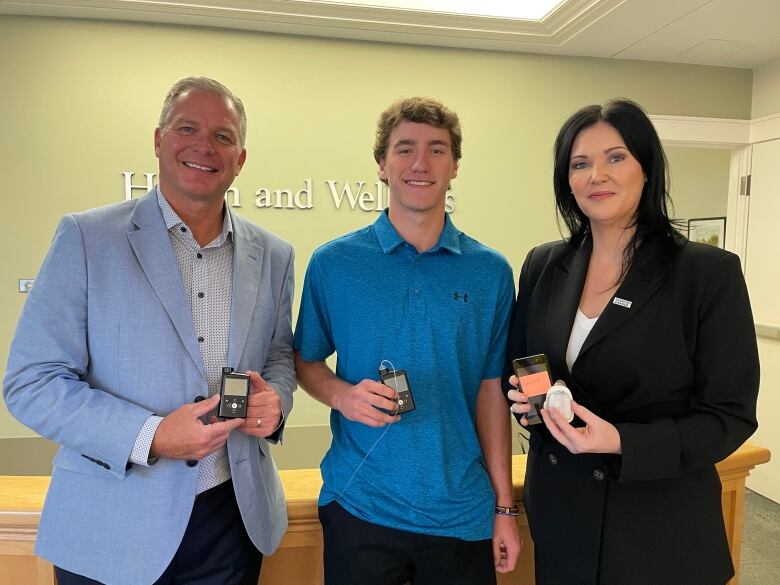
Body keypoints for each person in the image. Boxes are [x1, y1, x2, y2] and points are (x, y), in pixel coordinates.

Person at [3, 77, 296, 585]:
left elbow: (278, 357)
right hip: (110, 524)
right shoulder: (87, 238)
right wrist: (153, 435)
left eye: (223, 136)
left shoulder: (273, 254)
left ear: (241, 158)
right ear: (159, 141)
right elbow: (33, 382)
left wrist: (276, 405)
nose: (205, 146)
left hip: (232, 523)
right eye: (187, 128)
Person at [505, 98, 759, 585]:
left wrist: (620, 441)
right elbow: (521, 368)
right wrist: (527, 401)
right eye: (580, 164)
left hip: (658, 527)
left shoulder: (706, 273)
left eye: (615, 157)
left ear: (648, 168)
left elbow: (729, 416)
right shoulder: (544, 264)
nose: (596, 174)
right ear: (567, 180)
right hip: (562, 518)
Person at [293, 97, 521, 585]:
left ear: (455, 165)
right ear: (382, 164)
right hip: (361, 507)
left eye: (437, 150)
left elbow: (491, 391)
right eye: (405, 149)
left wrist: (504, 506)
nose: (420, 164)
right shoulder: (333, 263)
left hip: (462, 513)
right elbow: (305, 362)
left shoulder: (491, 273)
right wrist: (343, 396)